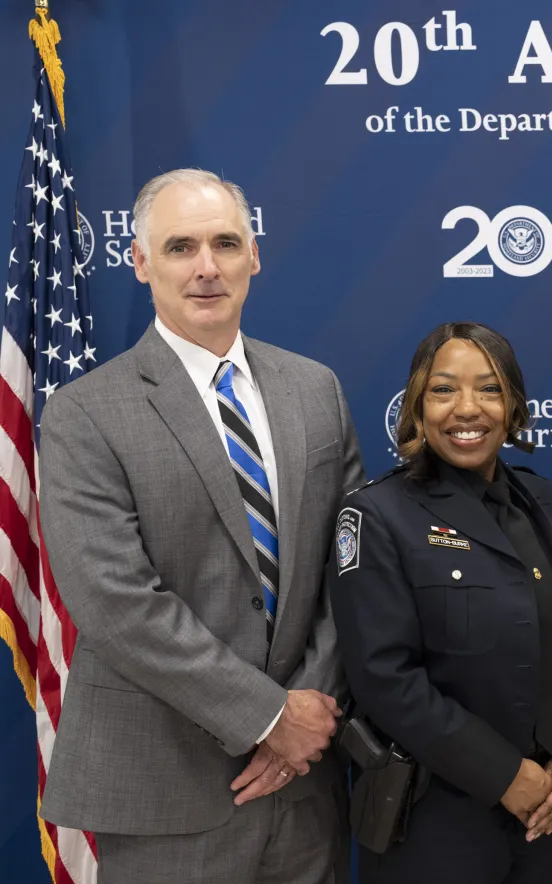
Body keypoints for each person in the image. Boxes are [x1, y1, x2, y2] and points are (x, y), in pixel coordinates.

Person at [38, 169, 365, 883]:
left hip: (308, 785)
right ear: (141, 262)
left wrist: (306, 717)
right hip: (165, 790)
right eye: (181, 247)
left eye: (226, 243)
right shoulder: (84, 413)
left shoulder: (317, 391)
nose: (207, 267)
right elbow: (114, 601)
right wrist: (268, 717)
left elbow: (352, 571)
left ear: (255, 255)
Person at [328, 322, 552, 884]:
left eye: (489, 389)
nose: (468, 408)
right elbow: (384, 678)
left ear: (513, 406)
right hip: (431, 820)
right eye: (443, 390)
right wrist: (505, 775)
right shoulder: (377, 515)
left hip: (546, 815)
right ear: (416, 407)